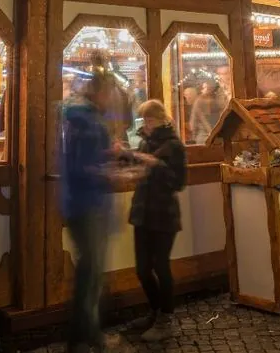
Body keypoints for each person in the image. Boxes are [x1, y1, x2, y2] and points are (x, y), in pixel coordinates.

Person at [60, 58, 118, 352]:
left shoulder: (84, 120)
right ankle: (85, 338)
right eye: (109, 93)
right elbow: (83, 167)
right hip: (88, 204)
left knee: (91, 272)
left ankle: (83, 336)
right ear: (98, 93)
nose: (112, 99)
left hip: (85, 203)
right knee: (91, 273)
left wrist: (109, 153)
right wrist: (107, 169)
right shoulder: (86, 122)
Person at [126, 100, 187, 342]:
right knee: (142, 269)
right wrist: (125, 157)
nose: (147, 124)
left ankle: (166, 318)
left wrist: (156, 165)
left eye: (150, 119)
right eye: (144, 120)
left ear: (161, 119)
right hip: (142, 213)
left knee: (161, 266)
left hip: (164, 215)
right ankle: (154, 310)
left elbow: (179, 182)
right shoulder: (144, 142)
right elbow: (140, 171)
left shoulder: (174, 146)